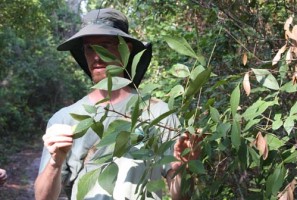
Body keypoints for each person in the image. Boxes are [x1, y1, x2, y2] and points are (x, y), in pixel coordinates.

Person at [35, 8, 200, 200]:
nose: (96, 56)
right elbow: (42, 198)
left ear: (126, 49)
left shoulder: (157, 112)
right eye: (89, 48)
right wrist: (56, 161)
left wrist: (183, 167)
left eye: (105, 45)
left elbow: (181, 196)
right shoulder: (64, 119)